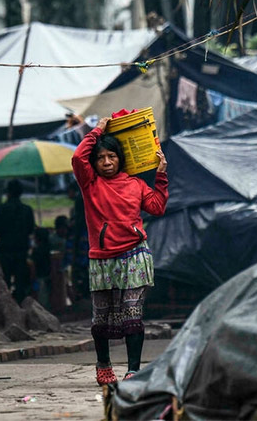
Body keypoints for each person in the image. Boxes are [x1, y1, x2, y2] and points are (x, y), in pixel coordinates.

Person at [71, 115, 169, 385]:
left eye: (111, 156)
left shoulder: (135, 184)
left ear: (120, 158)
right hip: (101, 259)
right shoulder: (89, 183)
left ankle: (133, 370)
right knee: (100, 318)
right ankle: (104, 365)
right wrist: (98, 130)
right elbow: (79, 157)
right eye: (101, 157)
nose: (106, 162)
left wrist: (161, 174)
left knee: (132, 314)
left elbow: (157, 207)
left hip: (135, 255)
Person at [0, 179, 35, 303]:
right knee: (20, 281)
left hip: (4, 249)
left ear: (8, 193)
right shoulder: (27, 210)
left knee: (5, 280)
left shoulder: (1, 209)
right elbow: (30, 229)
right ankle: (20, 303)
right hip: (21, 250)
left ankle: (7, 303)